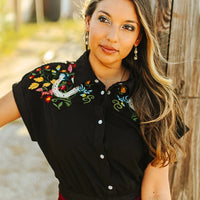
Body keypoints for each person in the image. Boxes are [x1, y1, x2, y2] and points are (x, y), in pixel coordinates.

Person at [0, 0, 189, 199]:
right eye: (104, 19)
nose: (112, 37)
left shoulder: (156, 98)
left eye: (127, 27)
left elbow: (156, 191)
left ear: (138, 37)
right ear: (88, 22)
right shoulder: (47, 83)